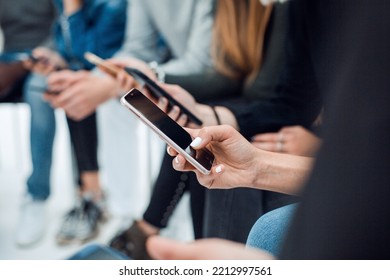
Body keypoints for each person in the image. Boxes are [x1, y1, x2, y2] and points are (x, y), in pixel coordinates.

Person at [146, 0, 390, 259]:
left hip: (358, 169)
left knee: (268, 230)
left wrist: (320, 148)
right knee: (221, 164)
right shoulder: (303, 8)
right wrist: (253, 165)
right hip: (348, 162)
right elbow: (292, 101)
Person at [107, 0, 311, 260]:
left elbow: (273, 94)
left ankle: (150, 228)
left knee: (214, 154)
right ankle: (174, 236)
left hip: (310, 139)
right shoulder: (236, 9)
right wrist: (208, 113)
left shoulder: (293, 10)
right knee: (204, 146)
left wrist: (318, 144)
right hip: (268, 116)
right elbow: (233, 77)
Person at [45, 0, 215, 231]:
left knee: (141, 101)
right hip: (168, 70)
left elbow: (202, 62)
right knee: (115, 103)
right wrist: (104, 77)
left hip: (207, 75)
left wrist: (134, 79)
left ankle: (165, 221)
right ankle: (123, 211)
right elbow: (137, 47)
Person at [16, 0, 127, 247]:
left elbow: (87, 56)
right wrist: (53, 58)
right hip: (90, 69)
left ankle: (92, 195)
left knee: (75, 87)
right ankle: (87, 194)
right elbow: (68, 51)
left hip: (122, 70)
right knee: (62, 83)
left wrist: (72, 10)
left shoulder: (112, 5)